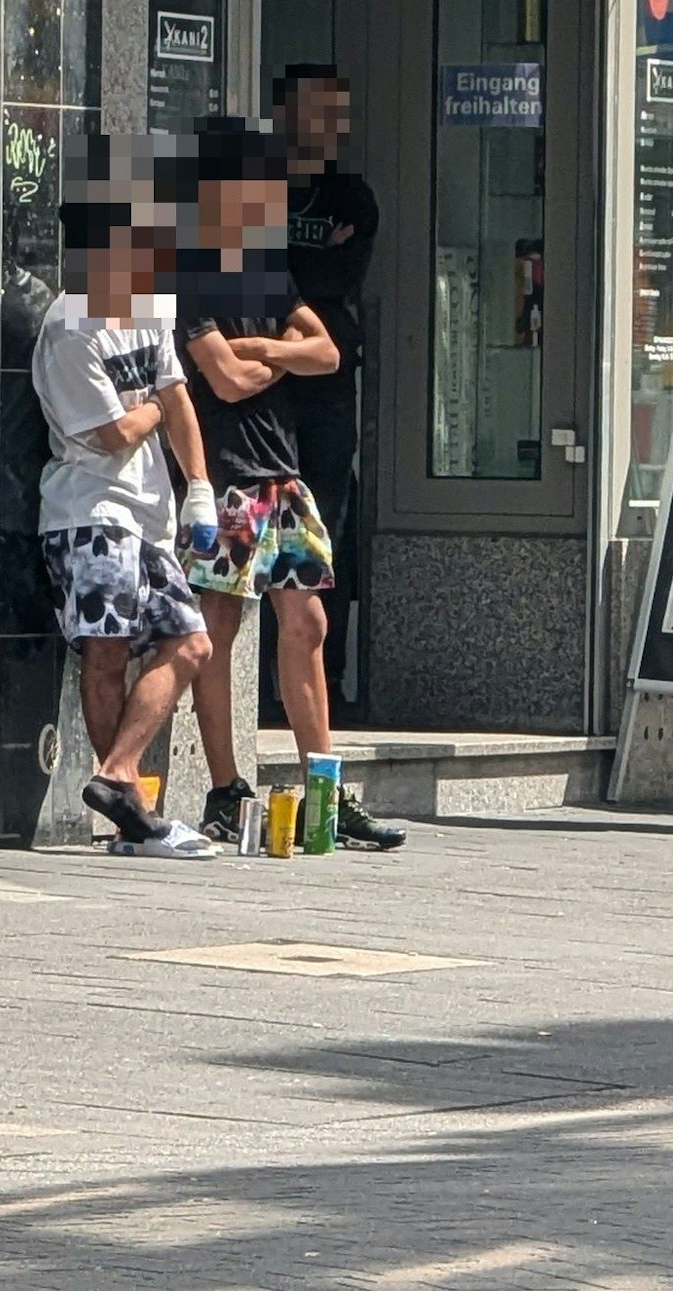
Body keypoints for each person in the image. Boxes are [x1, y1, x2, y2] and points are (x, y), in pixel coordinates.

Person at [181, 118, 405, 853]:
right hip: (228, 475)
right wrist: (278, 357)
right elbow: (226, 376)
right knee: (218, 628)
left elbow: (329, 352)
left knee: (307, 623)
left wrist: (264, 349)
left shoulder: (266, 273)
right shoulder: (189, 272)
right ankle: (224, 787)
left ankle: (325, 794)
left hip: (283, 472)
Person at [34, 152, 218, 860]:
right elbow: (112, 434)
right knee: (105, 652)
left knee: (190, 642)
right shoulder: (71, 326)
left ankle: (115, 775)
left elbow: (174, 398)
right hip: (87, 512)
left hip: (149, 514)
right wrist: (145, 411)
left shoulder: (150, 301)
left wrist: (197, 486)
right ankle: (129, 818)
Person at [268, 65, 377, 701]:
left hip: (328, 391)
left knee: (323, 529)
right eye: (316, 111)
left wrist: (296, 268)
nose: (329, 125)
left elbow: (341, 276)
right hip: (265, 389)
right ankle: (264, 687)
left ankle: (325, 682)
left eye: (337, 112)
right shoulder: (259, 190)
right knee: (262, 529)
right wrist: (307, 265)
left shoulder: (353, 197)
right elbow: (251, 271)